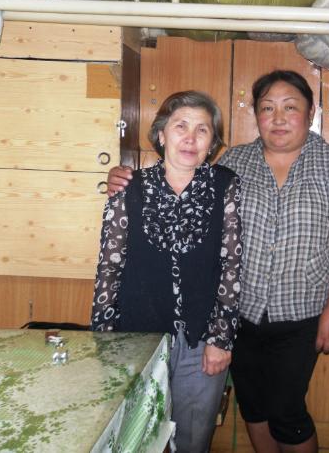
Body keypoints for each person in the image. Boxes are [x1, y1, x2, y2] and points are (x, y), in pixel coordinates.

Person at [106, 70, 329, 453]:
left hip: (303, 313)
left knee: (287, 412)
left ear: (310, 113)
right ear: (256, 114)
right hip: (240, 315)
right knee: (254, 408)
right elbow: (179, 182)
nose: (278, 118)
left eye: (290, 108)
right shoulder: (235, 163)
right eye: (268, 108)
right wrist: (124, 178)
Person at [92, 91, 242, 453]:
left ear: (212, 143)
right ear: (161, 135)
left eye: (202, 130)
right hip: (136, 337)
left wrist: (221, 339)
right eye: (180, 126)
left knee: (192, 439)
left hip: (201, 342)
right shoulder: (129, 188)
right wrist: (103, 339)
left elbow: (232, 265)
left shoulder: (225, 185)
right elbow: (109, 266)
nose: (190, 138)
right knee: (137, 438)